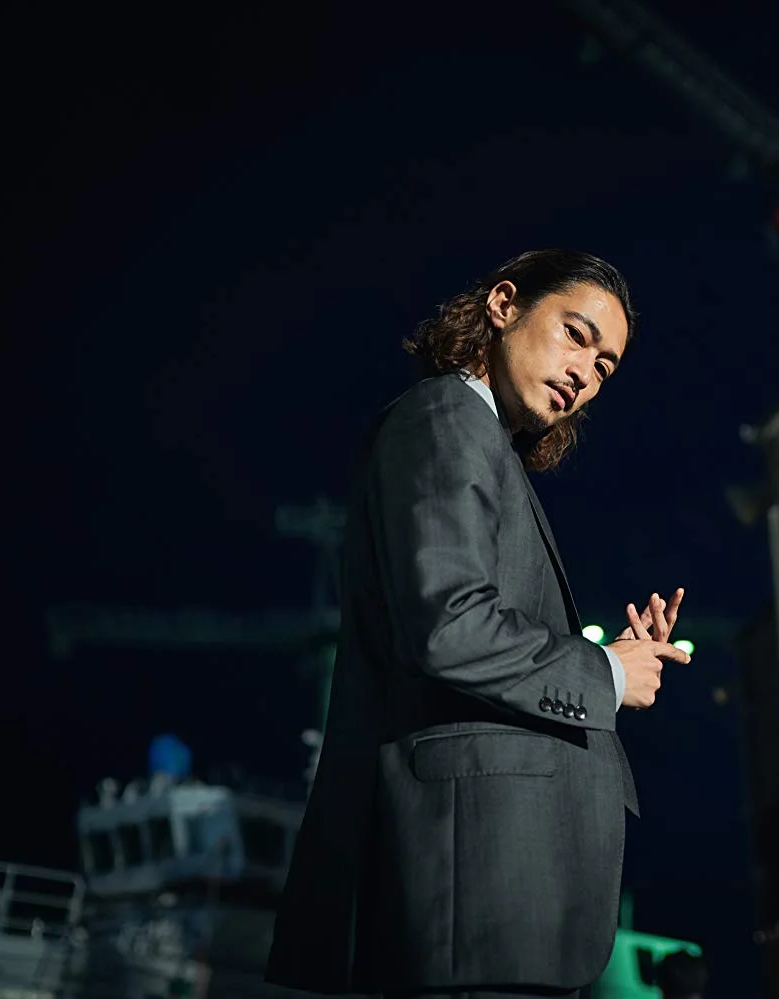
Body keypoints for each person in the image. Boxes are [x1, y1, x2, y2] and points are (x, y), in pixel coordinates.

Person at [266, 249, 691, 999]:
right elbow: (449, 625)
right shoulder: (446, 415)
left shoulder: (480, 437)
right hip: (472, 895)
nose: (585, 373)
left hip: (491, 897)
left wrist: (620, 658)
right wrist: (605, 672)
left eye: (605, 367)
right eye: (575, 334)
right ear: (503, 305)